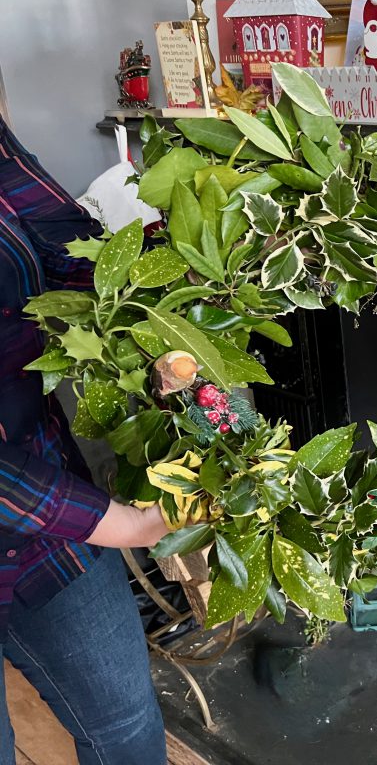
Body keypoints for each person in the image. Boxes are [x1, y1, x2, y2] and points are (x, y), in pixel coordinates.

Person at [0, 114, 169, 764]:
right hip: (50, 505)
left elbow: (62, 240)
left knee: (125, 723)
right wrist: (120, 524)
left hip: (43, 508)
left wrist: (147, 320)